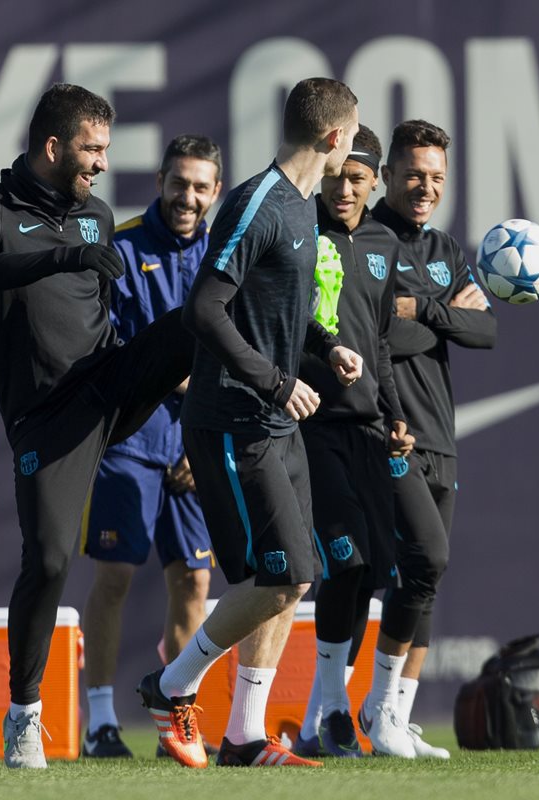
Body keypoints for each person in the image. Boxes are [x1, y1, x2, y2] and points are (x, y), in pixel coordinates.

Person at [0, 83, 196, 769]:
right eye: (92, 149)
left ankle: (225, 429)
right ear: (53, 146)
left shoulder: (96, 215)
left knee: (198, 317)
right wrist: (65, 256)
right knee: (52, 560)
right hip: (46, 420)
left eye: (106, 151)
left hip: (109, 384)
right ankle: (24, 714)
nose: (100, 164)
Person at [135, 76, 364, 770]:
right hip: (236, 421)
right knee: (284, 573)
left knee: (297, 577)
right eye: (351, 135)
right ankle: (170, 685)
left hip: (274, 418)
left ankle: (244, 735)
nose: (350, 148)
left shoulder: (301, 207)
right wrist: (275, 379)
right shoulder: (260, 202)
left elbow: (278, 310)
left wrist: (326, 346)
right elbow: (206, 308)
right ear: (332, 137)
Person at [355, 119, 497, 759]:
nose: (426, 188)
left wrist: (428, 310)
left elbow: (486, 332)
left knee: (426, 581)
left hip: (441, 430)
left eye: (437, 177)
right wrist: (444, 314)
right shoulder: (368, 239)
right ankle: (374, 709)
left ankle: (397, 714)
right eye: (414, 174)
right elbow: (383, 333)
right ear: (387, 176)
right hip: (392, 429)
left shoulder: (444, 246)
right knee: (421, 563)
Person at [80, 135, 223, 759]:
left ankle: (176, 720)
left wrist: (205, 433)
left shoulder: (227, 251)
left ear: (215, 192)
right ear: (160, 180)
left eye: (200, 187)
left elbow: (236, 347)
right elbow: (123, 352)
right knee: (114, 575)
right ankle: (101, 721)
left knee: (194, 582)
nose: (187, 197)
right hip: (132, 438)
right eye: (179, 183)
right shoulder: (126, 245)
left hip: (199, 443)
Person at [290, 124, 414, 758]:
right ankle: (330, 707)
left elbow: (383, 343)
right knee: (344, 560)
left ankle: (326, 711)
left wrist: (394, 413)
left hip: (368, 428)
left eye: (357, 178)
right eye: (335, 174)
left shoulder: (384, 243)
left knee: (370, 571)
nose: (344, 188)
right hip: (308, 426)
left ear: (375, 182)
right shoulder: (294, 232)